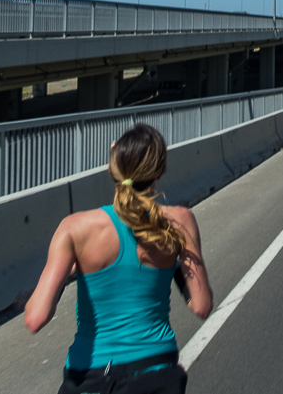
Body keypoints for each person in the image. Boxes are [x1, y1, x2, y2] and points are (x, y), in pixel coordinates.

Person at [25, 123, 213, 394]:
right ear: (159, 172)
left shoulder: (75, 228)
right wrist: (170, 261)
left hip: (89, 377)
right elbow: (202, 306)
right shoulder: (179, 221)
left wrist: (73, 270)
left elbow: (35, 318)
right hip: (156, 371)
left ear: (112, 165)